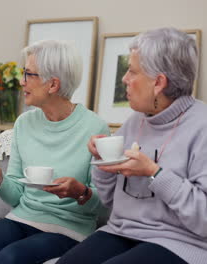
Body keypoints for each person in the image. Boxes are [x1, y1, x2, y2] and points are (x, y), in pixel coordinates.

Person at [57, 28, 207, 264]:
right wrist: (101, 162)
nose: (125, 78)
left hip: (181, 242)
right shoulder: (134, 122)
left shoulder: (202, 126)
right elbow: (111, 202)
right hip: (122, 231)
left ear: (158, 83)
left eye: (132, 71)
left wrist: (154, 173)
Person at [0, 40, 109, 264]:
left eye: (28, 74)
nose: (21, 82)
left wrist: (81, 192)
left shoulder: (95, 128)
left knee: (9, 259)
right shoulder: (24, 123)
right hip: (23, 217)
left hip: (69, 228)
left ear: (52, 85)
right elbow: (16, 196)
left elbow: (104, 202)